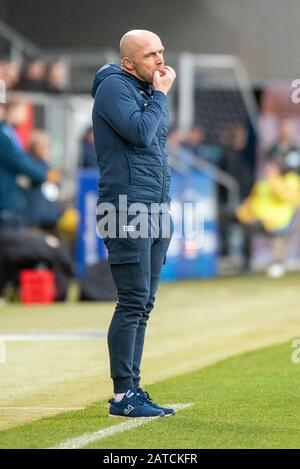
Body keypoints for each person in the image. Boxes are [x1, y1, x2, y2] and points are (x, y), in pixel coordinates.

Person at [92, 30, 176, 418]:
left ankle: (134, 390)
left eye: (161, 52)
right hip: (127, 209)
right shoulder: (113, 87)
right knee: (132, 302)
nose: (160, 60)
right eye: (150, 55)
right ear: (128, 62)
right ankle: (123, 395)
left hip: (156, 209)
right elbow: (141, 135)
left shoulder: (145, 90)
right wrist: (160, 95)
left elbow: (156, 150)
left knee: (145, 303)